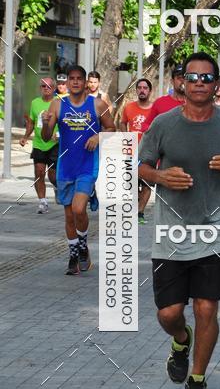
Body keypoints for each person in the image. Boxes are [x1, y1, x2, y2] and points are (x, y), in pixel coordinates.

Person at [138, 52, 220, 389]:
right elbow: (140, 167)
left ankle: (197, 379)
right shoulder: (163, 124)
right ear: (181, 82)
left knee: (207, 308)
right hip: (170, 235)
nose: (199, 84)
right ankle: (181, 339)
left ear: (218, 85)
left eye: (207, 78)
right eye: (192, 77)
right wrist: (160, 176)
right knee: (169, 313)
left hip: (215, 232)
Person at [41, 65, 115, 274]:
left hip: (87, 166)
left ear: (85, 83)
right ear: (67, 82)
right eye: (71, 78)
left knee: (78, 209)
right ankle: (75, 254)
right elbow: (46, 137)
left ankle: (82, 245)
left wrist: (98, 136)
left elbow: (112, 128)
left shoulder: (97, 104)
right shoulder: (57, 104)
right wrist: (46, 124)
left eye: (79, 78)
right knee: (69, 216)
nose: (75, 82)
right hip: (65, 167)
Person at [20, 77, 59, 214]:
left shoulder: (59, 103)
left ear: (54, 88)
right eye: (43, 86)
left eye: (49, 86)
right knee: (39, 172)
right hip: (38, 143)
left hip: (54, 144)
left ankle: (56, 186)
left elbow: (65, 122)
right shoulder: (35, 103)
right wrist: (25, 137)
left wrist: (58, 134)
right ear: (40, 88)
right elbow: (31, 122)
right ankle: (42, 202)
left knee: (53, 176)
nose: (46, 88)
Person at [120, 78, 154, 223]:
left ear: (150, 91)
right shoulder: (129, 107)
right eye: (139, 88)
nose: (142, 90)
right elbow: (122, 123)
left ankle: (139, 213)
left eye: (145, 88)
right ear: (136, 90)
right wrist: (126, 136)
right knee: (132, 184)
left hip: (149, 152)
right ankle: (137, 206)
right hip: (131, 151)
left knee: (146, 184)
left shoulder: (155, 109)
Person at [141, 65, 186, 130]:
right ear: (172, 81)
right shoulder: (160, 102)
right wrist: (160, 132)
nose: (183, 81)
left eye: (186, 78)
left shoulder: (196, 103)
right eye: (179, 78)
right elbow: (145, 125)